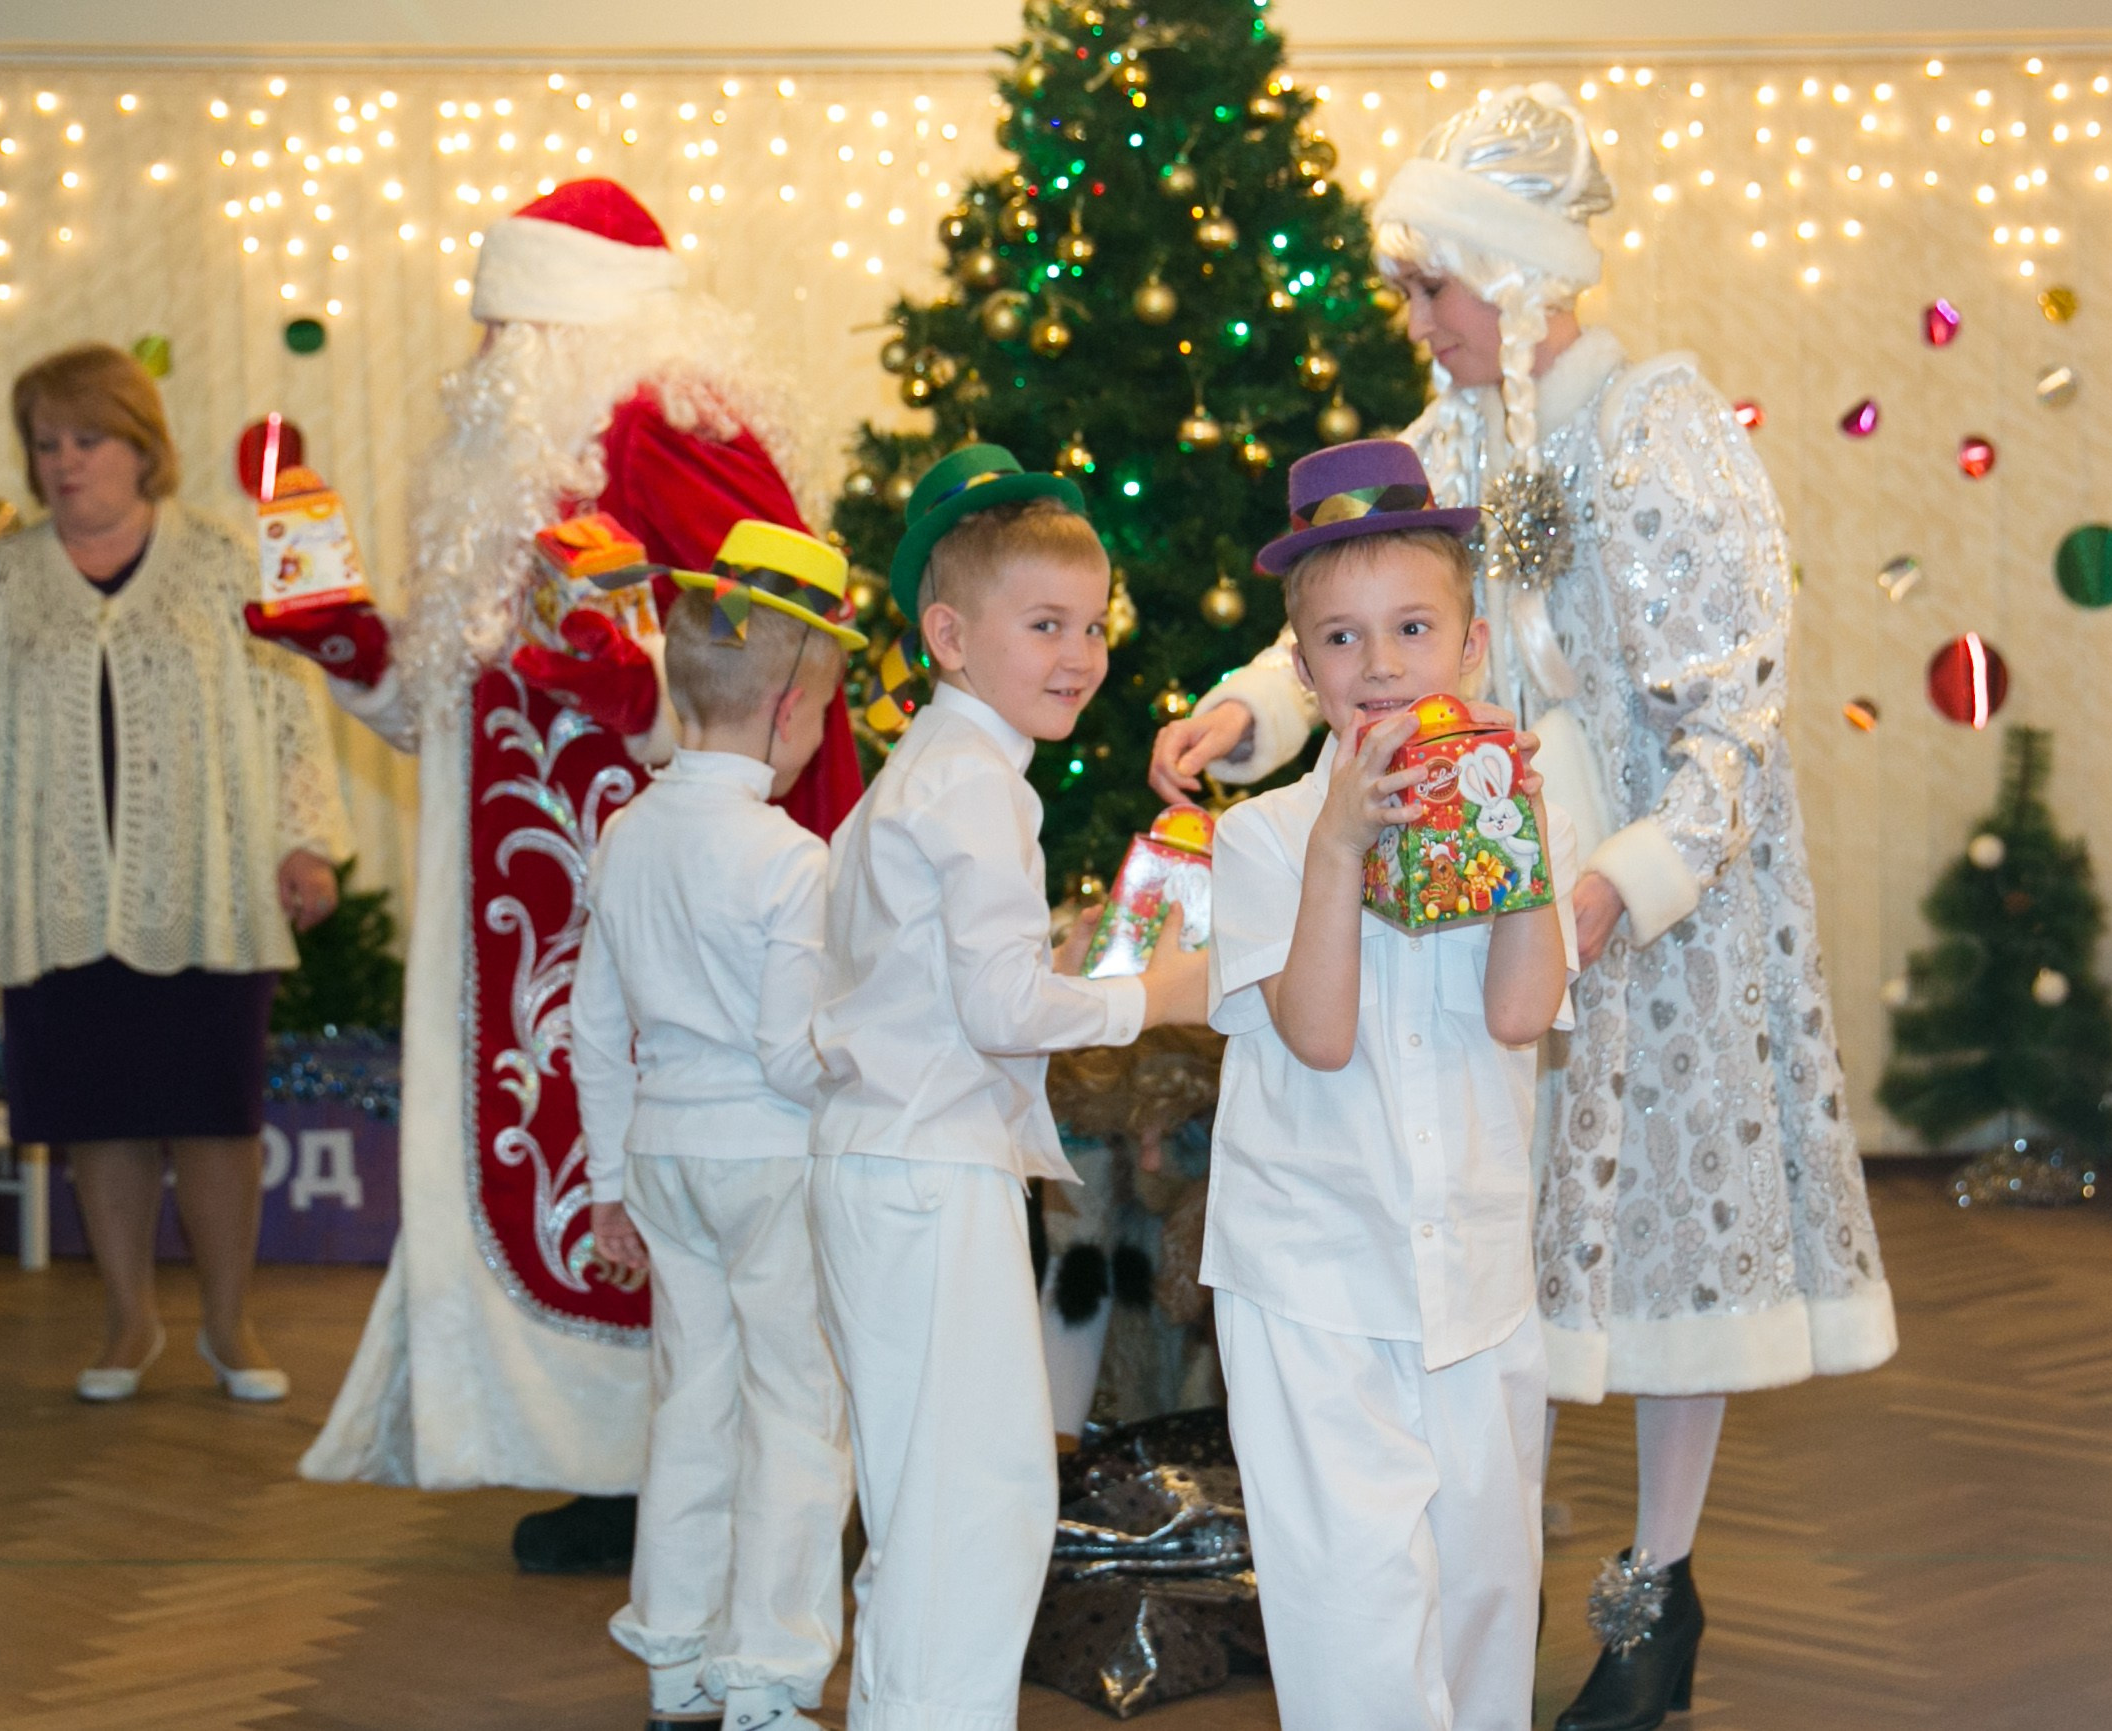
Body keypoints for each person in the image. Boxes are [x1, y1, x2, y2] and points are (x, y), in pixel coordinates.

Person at [1149, 87, 1898, 1731]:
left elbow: (1729, 716)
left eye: (1435, 285)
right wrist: (1243, 716)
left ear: (1522, 274)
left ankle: (1656, 1585)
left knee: (1657, 1246)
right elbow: (1345, 622)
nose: (1415, 318)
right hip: (1460, 866)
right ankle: (1483, 1566)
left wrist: (1624, 887)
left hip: (1645, 891)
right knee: (1499, 1240)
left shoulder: (1663, 429)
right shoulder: (1445, 437)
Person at [278, 178, 864, 1574]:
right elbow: (460, 694)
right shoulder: (527, 477)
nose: (476, 362)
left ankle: (679, 1470)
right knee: (588, 1161)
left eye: (499, 330)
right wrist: (347, 640)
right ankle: (612, 1455)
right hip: (523, 888)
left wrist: (612, 670)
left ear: (561, 331)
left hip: (638, 879)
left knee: (651, 1167)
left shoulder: (663, 436)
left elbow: (769, 672)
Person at [808, 444, 1210, 1731]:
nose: (1081, 654)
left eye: (1092, 625)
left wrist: (1068, 969)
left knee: (939, 1499)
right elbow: (995, 1011)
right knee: (972, 1506)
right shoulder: (977, 786)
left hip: (895, 1162)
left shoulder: (930, 770)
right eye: (1044, 624)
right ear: (948, 633)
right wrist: (1163, 992)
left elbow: (942, 984)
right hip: (926, 1173)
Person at [1205, 439, 1578, 1730]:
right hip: (1312, 1276)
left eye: (1410, 628)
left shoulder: (1497, 814)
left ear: (1467, 648)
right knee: (1352, 1603)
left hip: (1470, 1274)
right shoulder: (1259, 836)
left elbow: (1521, 1009)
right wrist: (1336, 846)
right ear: (1302, 671)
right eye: (1342, 640)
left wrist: (1517, 836)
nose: (1378, 665)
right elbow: (1314, 1029)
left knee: (1482, 1587)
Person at [0, 342, 350, 1402]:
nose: (64, 464)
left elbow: (290, 712)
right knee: (99, 1113)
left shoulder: (222, 562)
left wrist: (302, 840)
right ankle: (129, 1323)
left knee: (215, 1111)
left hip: (206, 883)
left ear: (141, 447)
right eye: (46, 445)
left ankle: (230, 1324)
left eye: (87, 441)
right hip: (57, 889)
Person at [568, 523, 866, 1731]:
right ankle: (771, 1677)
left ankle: (676, 1656)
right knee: (798, 1409)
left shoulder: (627, 837)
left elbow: (593, 1028)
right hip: (769, 1161)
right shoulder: (789, 858)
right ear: (794, 708)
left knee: (692, 1401)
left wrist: (603, 1183)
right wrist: (873, 1063)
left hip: (662, 1160)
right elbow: (794, 1055)